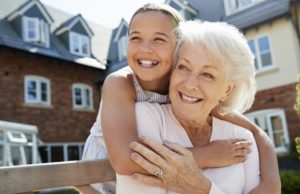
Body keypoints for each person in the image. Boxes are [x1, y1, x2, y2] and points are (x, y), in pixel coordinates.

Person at [82, 3, 280, 194]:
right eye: (135, 38)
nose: (145, 48)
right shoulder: (120, 83)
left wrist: (271, 180)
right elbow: (124, 160)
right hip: (97, 184)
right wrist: (208, 155)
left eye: (158, 39)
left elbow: (255, 132)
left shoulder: (181, 88)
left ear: (178, 48)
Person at [121, 20, 261, 194]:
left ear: (227, 90)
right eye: (183, 67)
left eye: (207, 74)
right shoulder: (146, 116)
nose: (190, 84)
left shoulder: (241, 138)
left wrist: (202, 189)